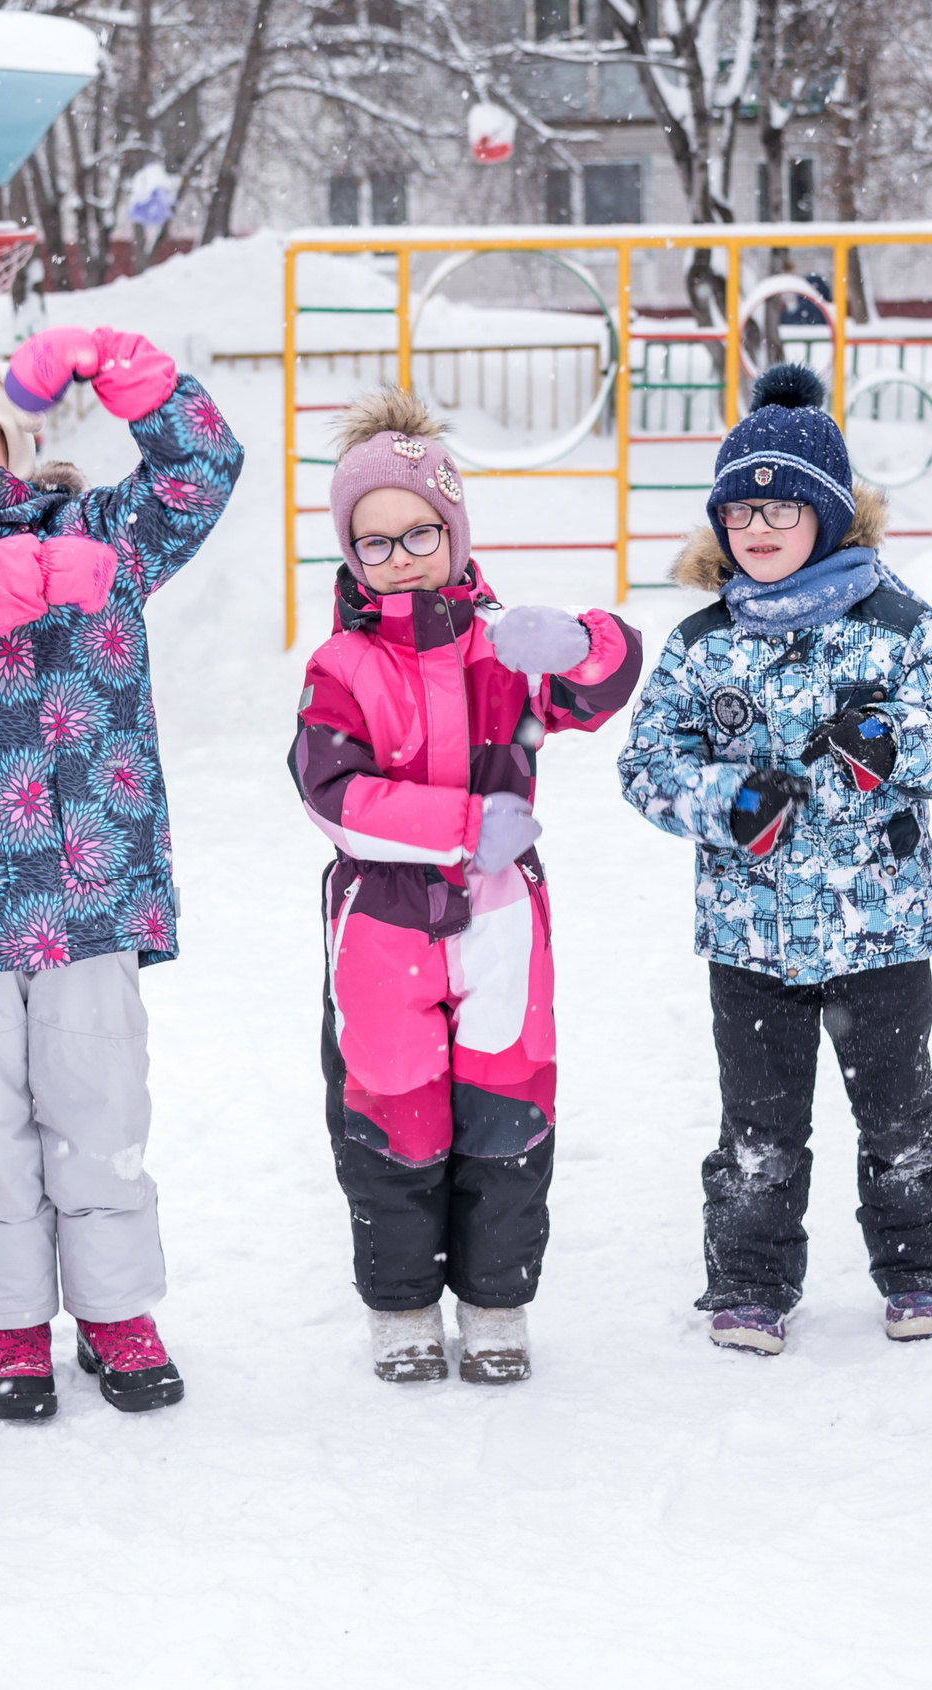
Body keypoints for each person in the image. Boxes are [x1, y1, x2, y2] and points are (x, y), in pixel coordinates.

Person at [0, 333, 241, 1420]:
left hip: (88, 890)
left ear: (9, 434)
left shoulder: (101, 531)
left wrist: (149, 390)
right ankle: (10, 1325)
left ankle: (115, 1311)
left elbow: (197, 480)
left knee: (99, 1111)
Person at [617, 364, 932, 1358]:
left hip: (879, 927)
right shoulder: (703, 645)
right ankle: (748, 1283)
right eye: (739, 509)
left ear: (826, 515)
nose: (758, 527)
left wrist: (893, 743)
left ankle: (921, 1269)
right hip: (752, 934)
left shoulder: (898, 626)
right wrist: (725, 802)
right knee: (758, 1123)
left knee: (899, 1108)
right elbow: (647, 763)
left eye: (781, 507)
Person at [290, 389, 642, 1383]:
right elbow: (331, 791)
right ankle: (401, 1300)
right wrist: (456, 826)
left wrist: (580, 642)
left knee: (505, 1101)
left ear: (454, 531)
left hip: (499, 921)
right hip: (383, 921)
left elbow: (610, 676)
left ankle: (494, 1297)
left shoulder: (503, 643)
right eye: (376, 543)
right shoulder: (342, 664)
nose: (401, 557)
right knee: (393, 1106)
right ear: (351, 556)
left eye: (419, 533)